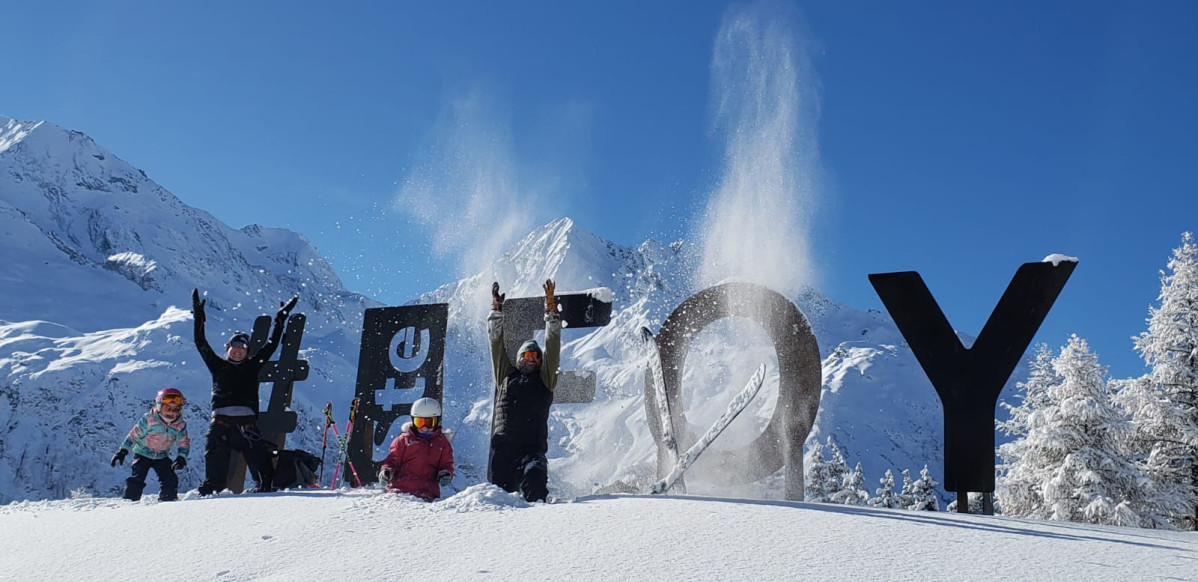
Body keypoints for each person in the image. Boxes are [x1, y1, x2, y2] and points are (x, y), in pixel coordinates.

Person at [191, 288, 296, 495]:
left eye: (243, 346)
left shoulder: (253, 366)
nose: (238, 349)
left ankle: (264, 487)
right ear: (228, 348)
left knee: (261, 465)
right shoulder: (217, 365)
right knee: (214, 464)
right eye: (235, 345)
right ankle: (211, 490)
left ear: (247, 351)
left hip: (246, 426)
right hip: (220, 426)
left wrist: (280, 319)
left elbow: (272, 345)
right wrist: (199, 316)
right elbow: (200, 342)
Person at [487, 279, 560, 502]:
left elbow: (553, 345)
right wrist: (496, 312)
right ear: (518, 359)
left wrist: (551, 311)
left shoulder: (545, 380)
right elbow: (495, 344)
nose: (531, 359)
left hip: (531, 453)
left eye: (535, 356)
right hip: (502, 453)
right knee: (499, 503)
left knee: (535, 483)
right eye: (526, 355)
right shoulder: (505, 376)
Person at [111, 388, 191, 502]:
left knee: (170, 479)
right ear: (159, 406)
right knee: (137, 479)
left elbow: (184, 442)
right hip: (142, 453)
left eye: (176, 409)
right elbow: (134, 435)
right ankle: (129, 501)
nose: (171, 413)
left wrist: (181, 457)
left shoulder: (180, 425)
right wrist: (123, 451)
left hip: (162, 456)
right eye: (168, 408)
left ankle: (168, 500)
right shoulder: (149, 419)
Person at [377, 397, 455, 501]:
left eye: (429, 423)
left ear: (437, 421)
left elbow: (446, 464)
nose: (424, 427)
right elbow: (392, 460)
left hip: (427, 494)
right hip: (399, 492)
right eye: (420, 422)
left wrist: (445, 473)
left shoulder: (442, 443)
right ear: (413, 420)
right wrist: (387, 471)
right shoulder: (403, 440)